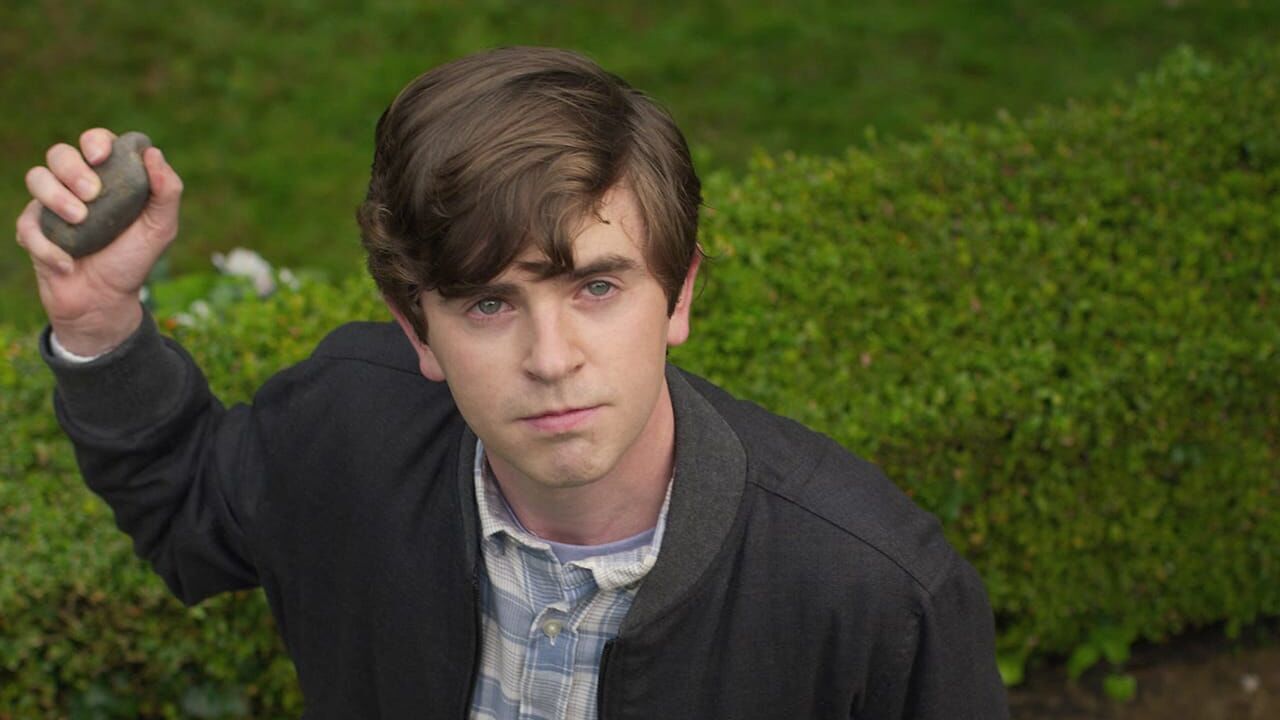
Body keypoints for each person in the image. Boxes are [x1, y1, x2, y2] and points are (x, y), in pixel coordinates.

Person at [16, 47, 1009, 719]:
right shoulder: (347, 428)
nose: (550, 357)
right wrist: (98, 321)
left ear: (678, 295)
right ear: (417, 326)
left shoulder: (876, 595)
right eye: (489, 303)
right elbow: (190, 506)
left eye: (596, 286)